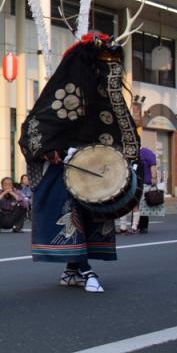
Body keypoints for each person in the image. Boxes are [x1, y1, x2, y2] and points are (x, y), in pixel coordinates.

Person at [20, 32, 141, 293]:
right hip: (63, 165)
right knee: (72, 216)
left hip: (94, 165)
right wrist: (49, 150)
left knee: (91, 215)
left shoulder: (104, 93)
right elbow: (36, 126)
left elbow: (119, 124)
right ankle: (84, 269)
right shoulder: (65, 90)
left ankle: (73, 269)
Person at [120, 142, 160, 234]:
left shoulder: (146, 152)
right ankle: (131, 226)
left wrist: (154, 178)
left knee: (142, 205)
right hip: (130, 183)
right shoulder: (128, 153)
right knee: (132, 204)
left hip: (144, 182)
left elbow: (153, 165)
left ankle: (142, 226)